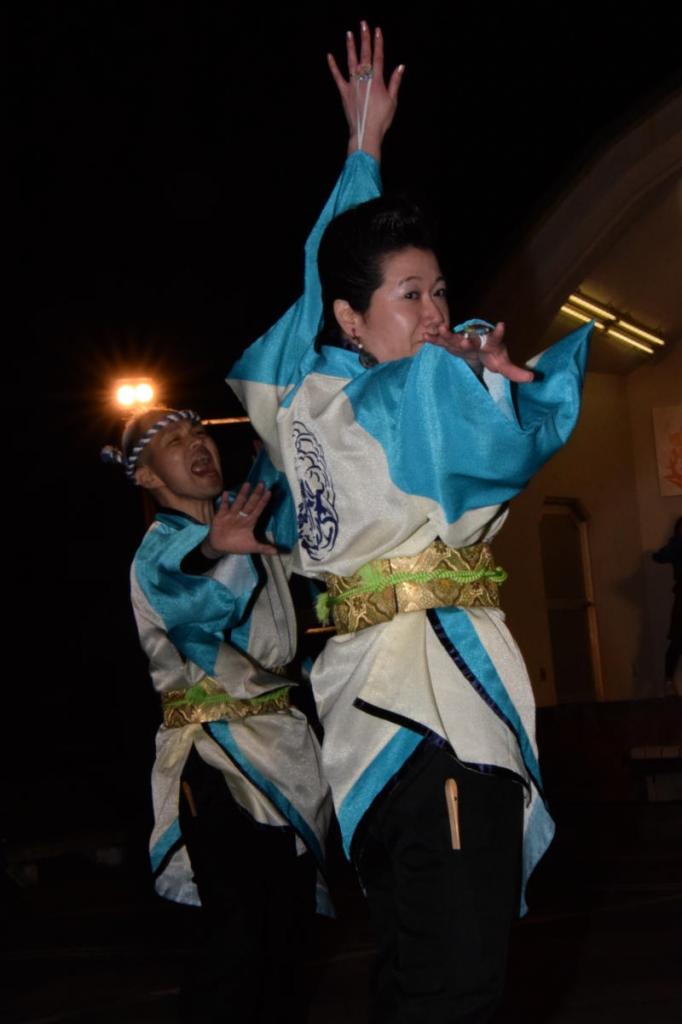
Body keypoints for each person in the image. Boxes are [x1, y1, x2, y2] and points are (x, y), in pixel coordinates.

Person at [227, 24, 591, 1023]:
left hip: (372, 723)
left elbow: (340, 291)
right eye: (410, 295)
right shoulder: (362, 400)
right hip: (426, 714)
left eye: (441, 291)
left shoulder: (321, 400)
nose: (435, 310)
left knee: (418, 974)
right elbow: (339, 296)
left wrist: (363, 153)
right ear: (349, 320)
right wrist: (494, 380)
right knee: (452, 986)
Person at [102, 407, 331, 1022]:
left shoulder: (245, 522)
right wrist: (212, 548)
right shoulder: (160, 551)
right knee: (238, 938)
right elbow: (189, 591)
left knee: (289, 937)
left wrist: (285, 456)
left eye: (199, 432)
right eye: (175, 441)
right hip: (215, 759)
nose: (197, 443)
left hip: (285, 752)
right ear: (148, 477)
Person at [652, 517, 682, 695]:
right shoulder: (677, 546)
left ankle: (669, 681)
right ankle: (668, 681)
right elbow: (659, 556)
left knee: (677, 640)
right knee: (677, 640)